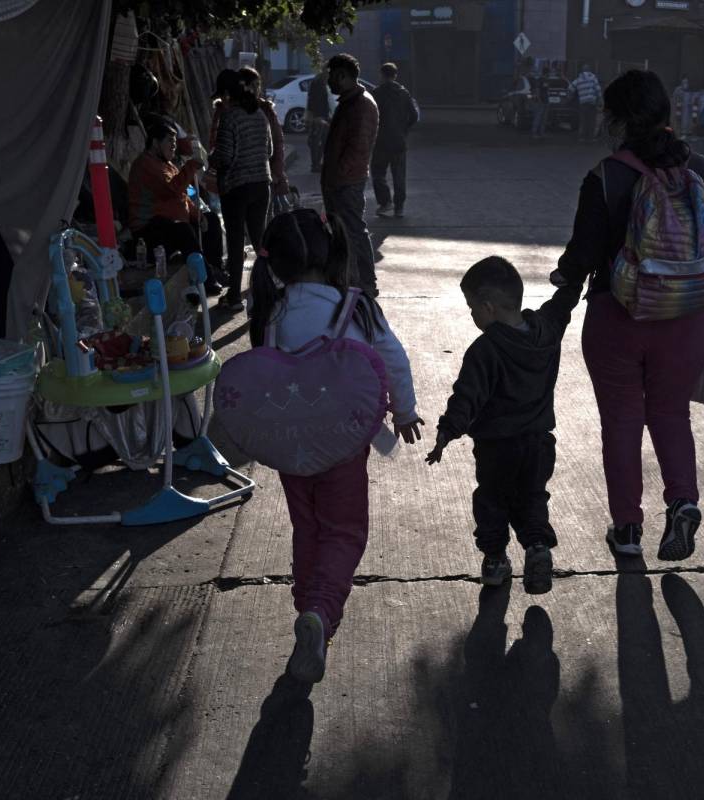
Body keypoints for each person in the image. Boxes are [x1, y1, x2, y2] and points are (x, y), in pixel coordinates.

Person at [553, 70, 704, 561]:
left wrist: (562, 286)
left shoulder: (605, 176)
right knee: (670, 413)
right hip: (686, 321)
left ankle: (626, 530)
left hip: (617, 315)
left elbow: (582, 256)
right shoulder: (703, 170)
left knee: (621, 421)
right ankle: (682, 501)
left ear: (617, 119)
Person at [248, 209, 423, 683]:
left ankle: (308, 606)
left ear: (276, 264)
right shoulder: (356, 307)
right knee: (344, 530)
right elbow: (395, 360)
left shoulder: (271, 311)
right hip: (344, 447)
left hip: (290, 446)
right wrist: (403, 412)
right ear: (332, 255)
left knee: (308, 528)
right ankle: (321, 614)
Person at [426, 257, 580, 595]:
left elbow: (467, 395)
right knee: (533, 498)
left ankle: (495, 560)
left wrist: (446, 431)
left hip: (496, 448)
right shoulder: (545, 330)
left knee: (492, 501)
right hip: (539, 443)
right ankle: (537, 547)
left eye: (472, 308)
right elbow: (562, 306)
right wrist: (574, 279)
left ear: (488, 306)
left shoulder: (485, 350)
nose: (471, 315)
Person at [210, 67, 274, 311]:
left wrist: (211, 159)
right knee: (260, 241)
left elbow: (225, 156)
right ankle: (272, 286)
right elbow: (268, 151)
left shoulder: (230, 116)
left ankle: (234, 297)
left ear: (228, 93)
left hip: (237, 187)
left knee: (236, 243)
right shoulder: (259, 114)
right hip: (261, 183)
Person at [322, 53, 381, 296]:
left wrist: (336, 178)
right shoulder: (351, 102)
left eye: (332, 76)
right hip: (340, 181)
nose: (329, 81)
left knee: (354, 232)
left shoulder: (362, 104)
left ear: (343, 76)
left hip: (347, 182)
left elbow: (357, 149)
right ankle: (352, 279)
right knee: (344, 233)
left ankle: (366, 283)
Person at [127, 119, 206, 264]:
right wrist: (190, 167)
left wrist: (198, 215)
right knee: (183, 230)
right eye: (170, 141)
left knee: (209, 221)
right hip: (148, 229)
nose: (174, 145)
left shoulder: (168, 165)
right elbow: (172, 190)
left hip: (167, 222)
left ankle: (213, 266)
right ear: (156, 143)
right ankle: (207, 279)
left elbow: (183, 196)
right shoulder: (145, 165)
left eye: (175, 141)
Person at [371, 62, 419, 219]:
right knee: (399, 176)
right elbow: (414, 116)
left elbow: (371, 117)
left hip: (381, 141)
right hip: (399, 141)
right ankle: (399, 208)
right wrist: (403, 129)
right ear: (395, 75)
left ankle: (385, 202)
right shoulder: (404, 93)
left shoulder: (376, 93)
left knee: (378, 173)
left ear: (382, 75)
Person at [307, 70, 331, 173]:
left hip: (322, 117)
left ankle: (317, 164)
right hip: (319, 117)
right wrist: (317, 117)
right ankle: (315, 165)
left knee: (322, 141)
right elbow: (313, 101)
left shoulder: (321, 83)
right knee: (316, 141)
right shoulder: (318, 84)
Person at [570, 63, 602, 142]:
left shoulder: (578, 79)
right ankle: (590, 137)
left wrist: (571, 97)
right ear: (589, 70)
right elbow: (598, 89)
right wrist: (600, 99)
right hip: (592, 102)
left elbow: (570, 88)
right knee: (591, 121)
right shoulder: (593, 78)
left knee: (583, 120)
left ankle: (582, 137)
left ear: (582, 70)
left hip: (582, 102)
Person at [531, 66, 552, 139]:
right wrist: (539, 99)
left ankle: (541, 133)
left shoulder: (546, 80)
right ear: (546, 73)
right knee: (538, 117)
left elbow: (547, 91)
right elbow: (537, 90)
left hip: (546, 101)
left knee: (543, 118)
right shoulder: (540, 80)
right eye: (549, 72)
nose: (550, 74)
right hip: (541, 102)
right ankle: (534, 133)